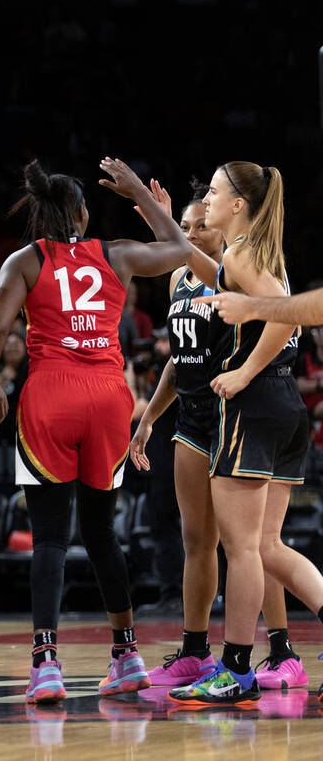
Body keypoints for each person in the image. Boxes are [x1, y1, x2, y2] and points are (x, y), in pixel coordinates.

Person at [0, 157, 193, 704]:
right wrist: (143, 196)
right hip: (109, 397)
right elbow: (181, 250)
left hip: (51, 394)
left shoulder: (24, 260)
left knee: (51, 537)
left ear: (39, 216)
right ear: (83, 215)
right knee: (103, 531)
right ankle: (127, 653)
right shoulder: (117, 253)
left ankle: (45, 664)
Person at [130, 181, 301, 690]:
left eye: (200, 223)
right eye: (185, 227)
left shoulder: (240, 268)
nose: (193, 233)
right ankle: (195, 649)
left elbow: (282, 320)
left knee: (249, 545)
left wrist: (148, 207)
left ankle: (279, 648)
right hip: (194, 417)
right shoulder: (181, 279)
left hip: (239, 409)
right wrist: (149, 418)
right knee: (199, 541)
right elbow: (178, 362)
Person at [168, 162, 323, 705]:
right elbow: (277, 308)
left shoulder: (239, 254)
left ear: (238, 205)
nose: (205, 202)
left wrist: (243, 372)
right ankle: (253, 662)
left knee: (242, 550)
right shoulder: (258, 252)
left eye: (211, 193)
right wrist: (150, 207)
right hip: (287, 406)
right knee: (266, 545)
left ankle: (234, 669)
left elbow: (286, 319)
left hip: (254, 406)